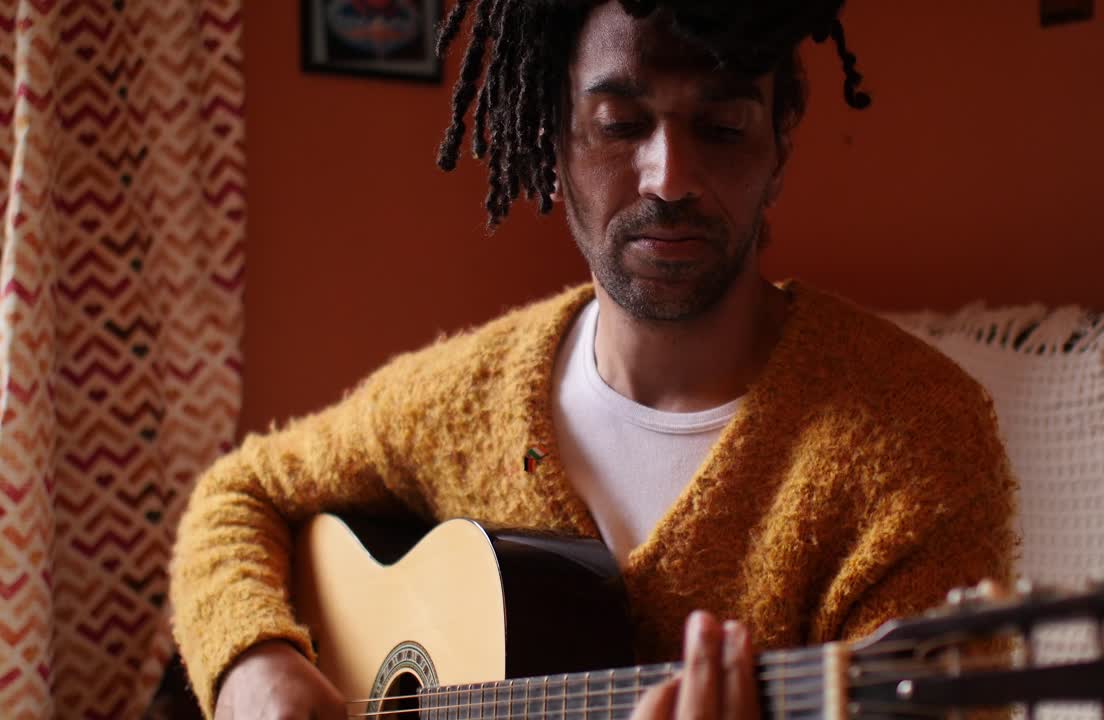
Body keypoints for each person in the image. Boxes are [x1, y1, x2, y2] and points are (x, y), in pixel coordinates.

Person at [169, 1, 1017, 718]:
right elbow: (238, 494)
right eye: (619, 124)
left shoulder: (916, 440)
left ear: (781, 139)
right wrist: (255, 665)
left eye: (721, 127)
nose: (669, 176)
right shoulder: (464, 399)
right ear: (552, 134)